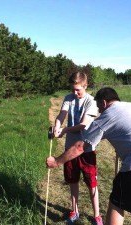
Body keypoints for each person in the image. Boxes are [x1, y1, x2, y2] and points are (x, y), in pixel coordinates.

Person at [47, 87, 131, 225]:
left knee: (117, 204)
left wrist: (56, 161)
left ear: (103, 102)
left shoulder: (108, 115)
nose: (99, 112)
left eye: (99, 108)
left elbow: (80, 147)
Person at [53, 72, 103, 225]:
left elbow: (82, 125)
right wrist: (57, 126)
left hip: (86, 148)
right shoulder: (69, 98)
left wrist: (65, 130)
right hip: (70, 149)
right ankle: (74, 211)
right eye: (73, 89)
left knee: (91, 183)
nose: (75, 93)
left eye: (78, 90)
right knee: (72, 181)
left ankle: (97, 216)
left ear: (85, 86)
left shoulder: (91, 101)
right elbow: (62, 114)